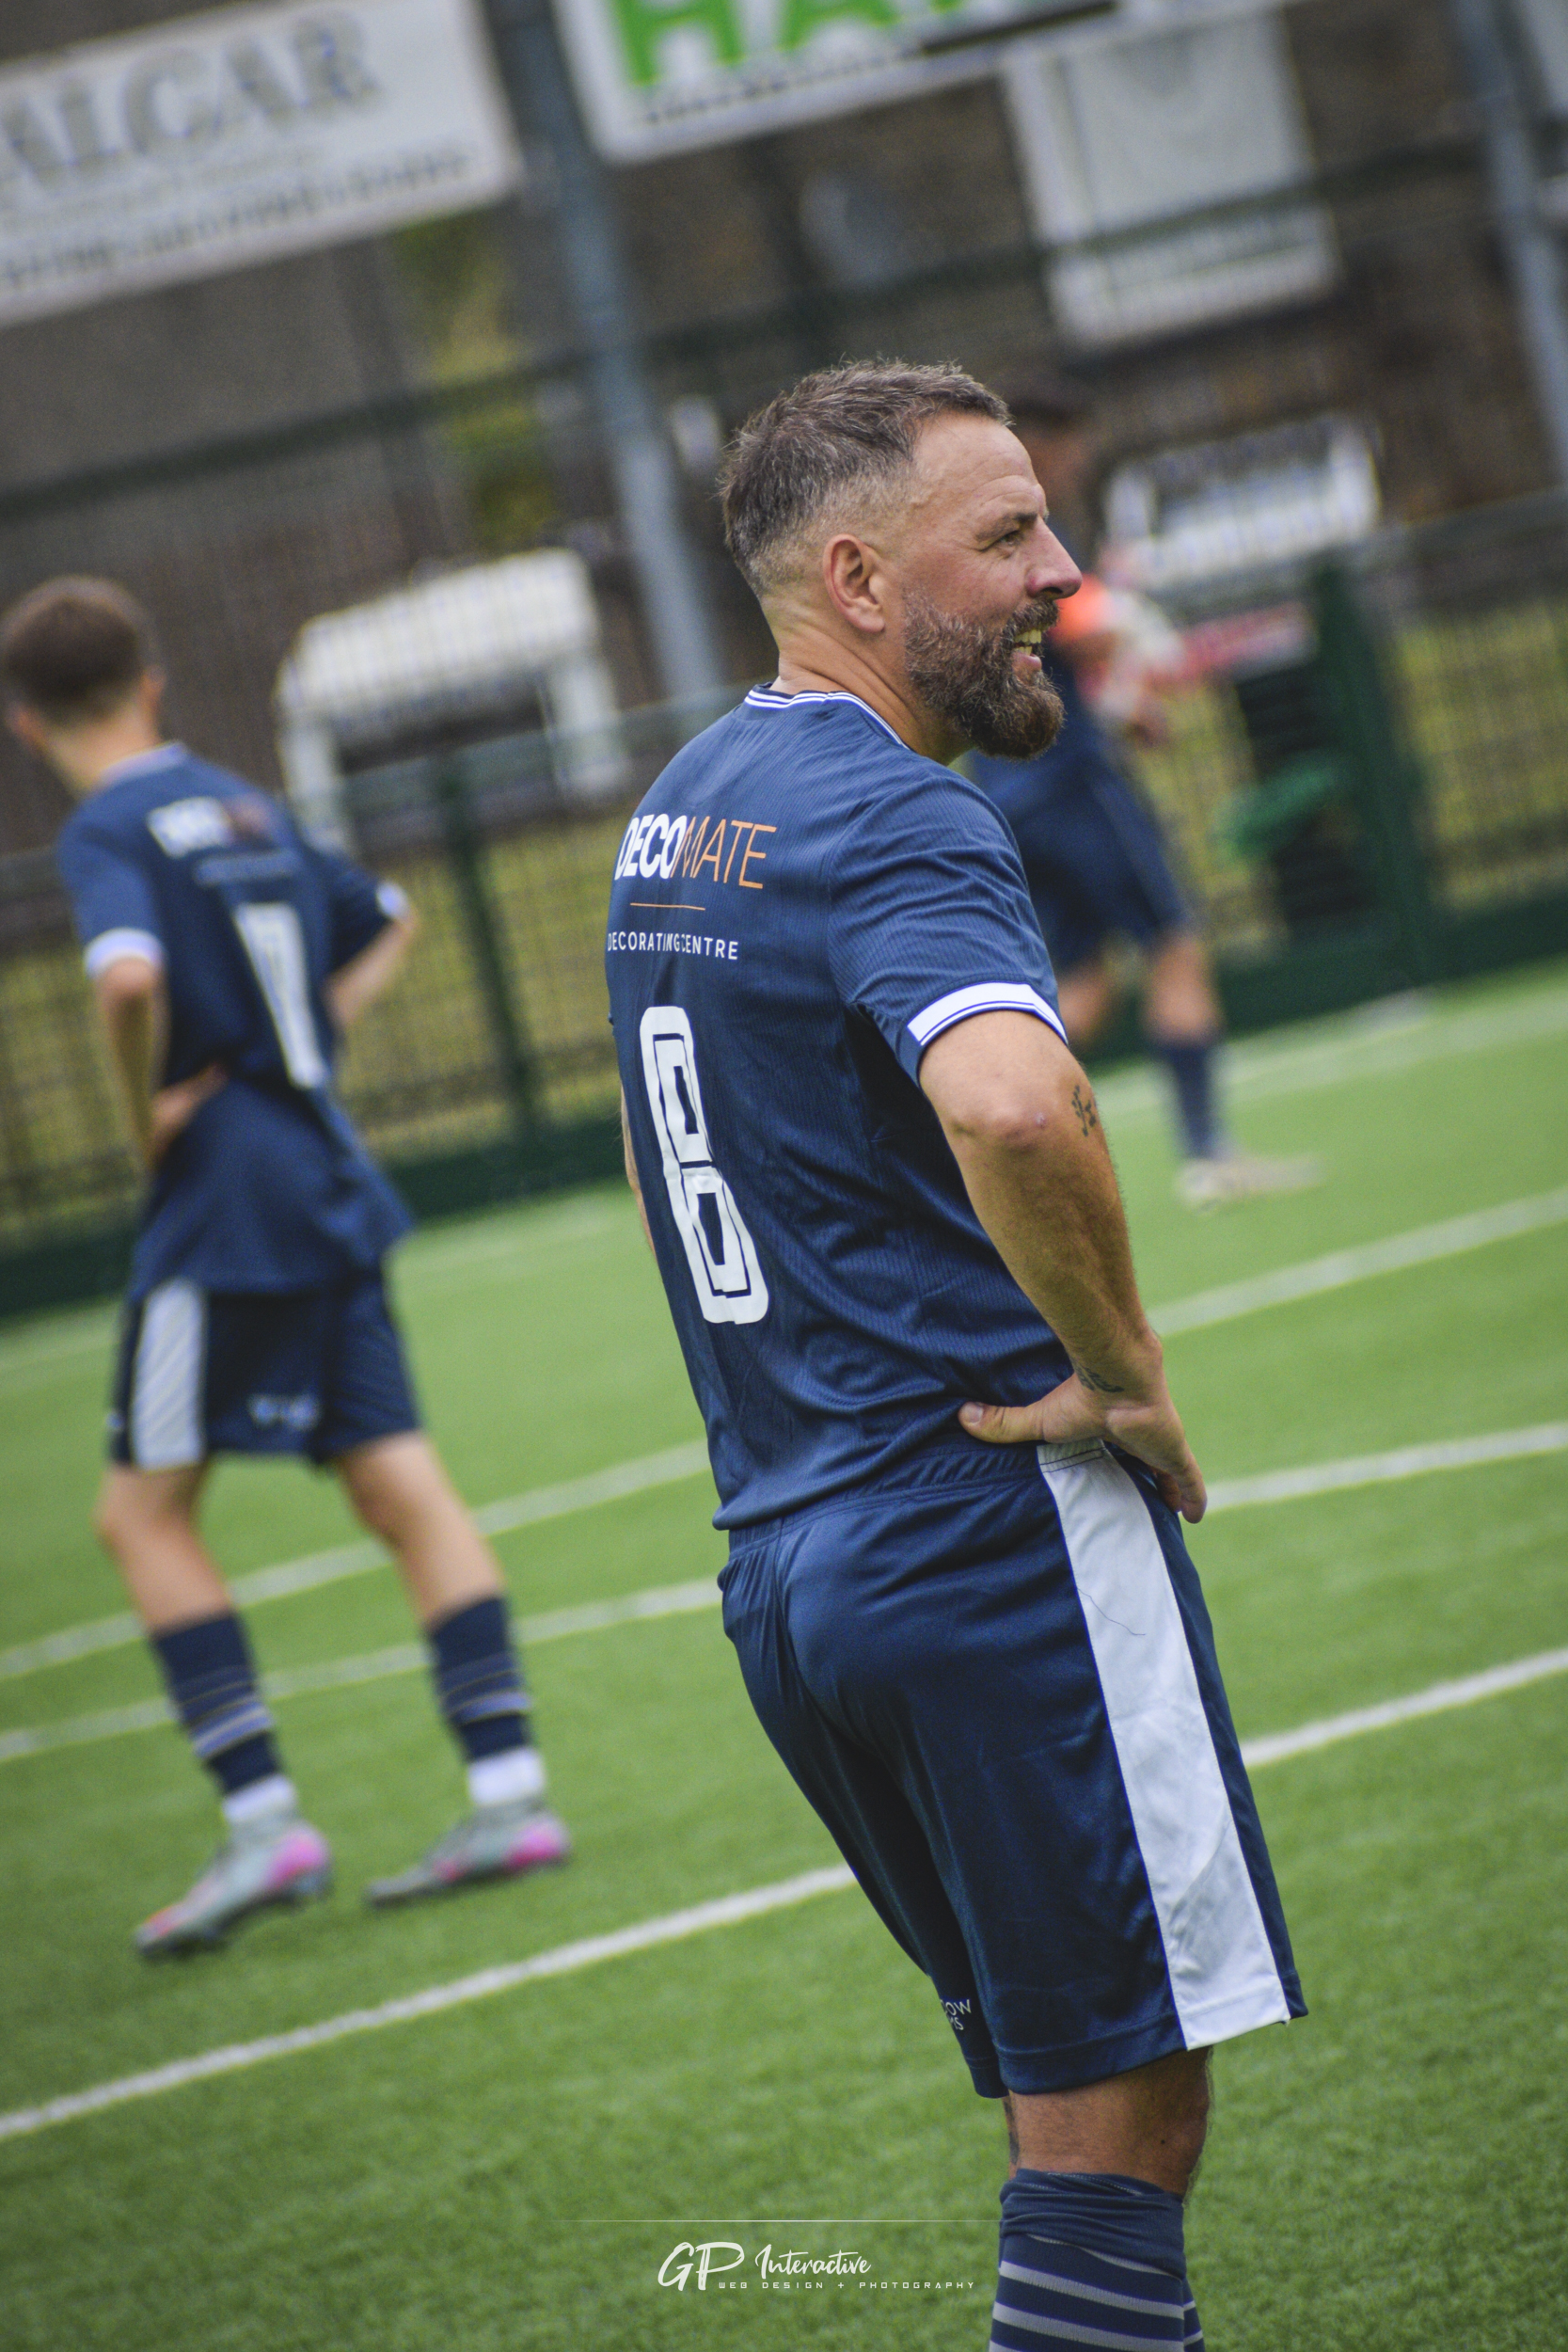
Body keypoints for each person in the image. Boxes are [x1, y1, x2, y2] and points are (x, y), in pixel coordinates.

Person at [607, 364, 1303, 2348]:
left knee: (1052, 2104)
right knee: (1121, 2115)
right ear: (849, 573)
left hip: (790, 1568)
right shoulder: (891, 808)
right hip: (983, 1533)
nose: (1058, 574)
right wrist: (1125, 1368)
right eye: (1001, 537)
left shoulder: (683, 808)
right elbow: (1006, 1101)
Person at [2, 578, 569, 1957]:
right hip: (324, 1171)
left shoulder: (105, 829)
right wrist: (304, 1040)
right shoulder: (243, 804)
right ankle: (509, 1793)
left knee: (141, 1518)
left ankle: (264, 1827)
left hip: (225, 1201)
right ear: (150, 682)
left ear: (24, 723)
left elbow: (127, 980)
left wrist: (146, 1116)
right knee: (397, 1481)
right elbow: (385, 920)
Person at [970, 372, 1319, 1208]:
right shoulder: (1032, 536)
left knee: (1079, 983)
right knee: (1173, 945)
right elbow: (1091, 632)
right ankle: (1208, 1153)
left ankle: (977, 1165)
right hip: (1073, 785)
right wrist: (1141, 654)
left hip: (1006, 795)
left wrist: (1123, 697)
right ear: (1044, 445)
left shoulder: (974, 541)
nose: (1083, 462)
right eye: (1074, 445)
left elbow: (1054, 664)